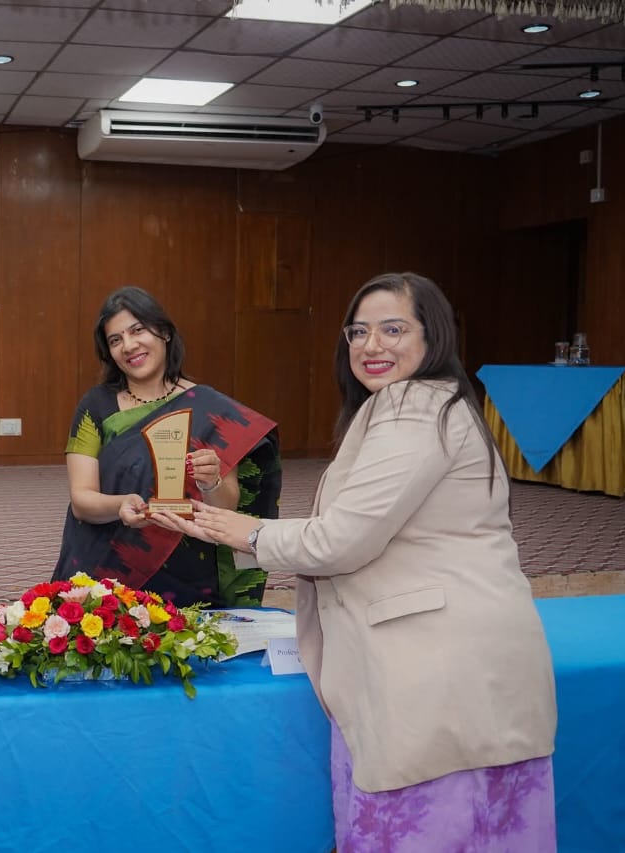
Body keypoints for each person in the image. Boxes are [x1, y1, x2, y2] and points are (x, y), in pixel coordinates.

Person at [159, 273, 558, 850]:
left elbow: (340, 541)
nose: (372, 345)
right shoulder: (429, 403)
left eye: (393, 329)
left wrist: (244, 531)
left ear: (433, 336)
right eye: (359, 331)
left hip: (438, 677)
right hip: (461, 676)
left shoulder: (414, 407)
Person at [52, 286, 281, 608]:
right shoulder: (95, 406)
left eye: (137, 330)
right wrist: (122, 504)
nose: (128, 346)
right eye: (115, 340)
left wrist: (211, 482)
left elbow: (226, 506)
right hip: (109, 564)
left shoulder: (211, 409)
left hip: (189, 569)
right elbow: (81, 499)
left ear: (164, 332)